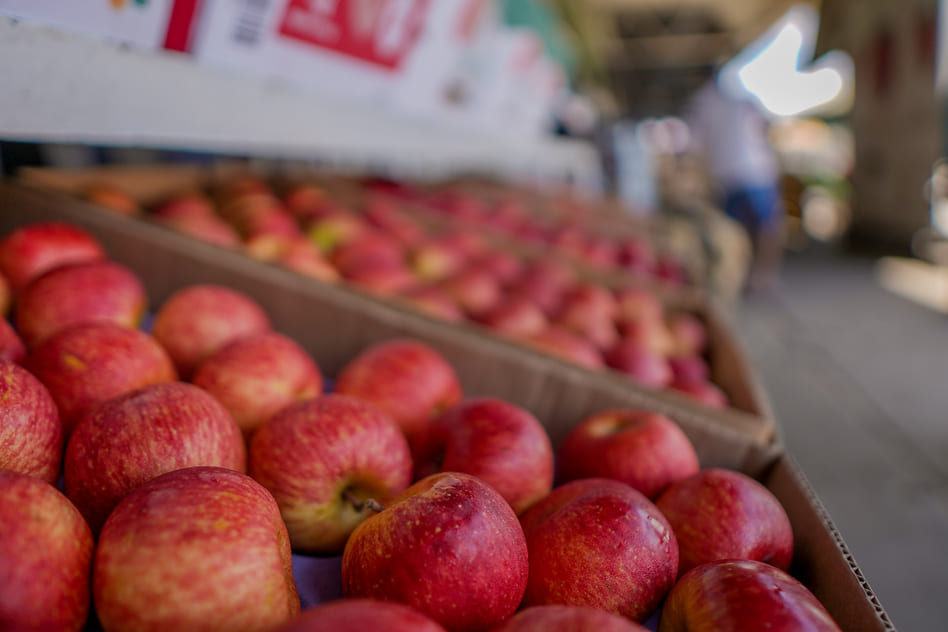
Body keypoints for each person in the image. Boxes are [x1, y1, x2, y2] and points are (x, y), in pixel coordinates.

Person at [685, 73, 785, 292]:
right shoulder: (738, 99)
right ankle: (759, 276)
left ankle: (755, 277)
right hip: (749, 174)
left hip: (738, 175)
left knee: (747, 231)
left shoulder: (708, 103)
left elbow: (694, 147)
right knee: (759, 229)